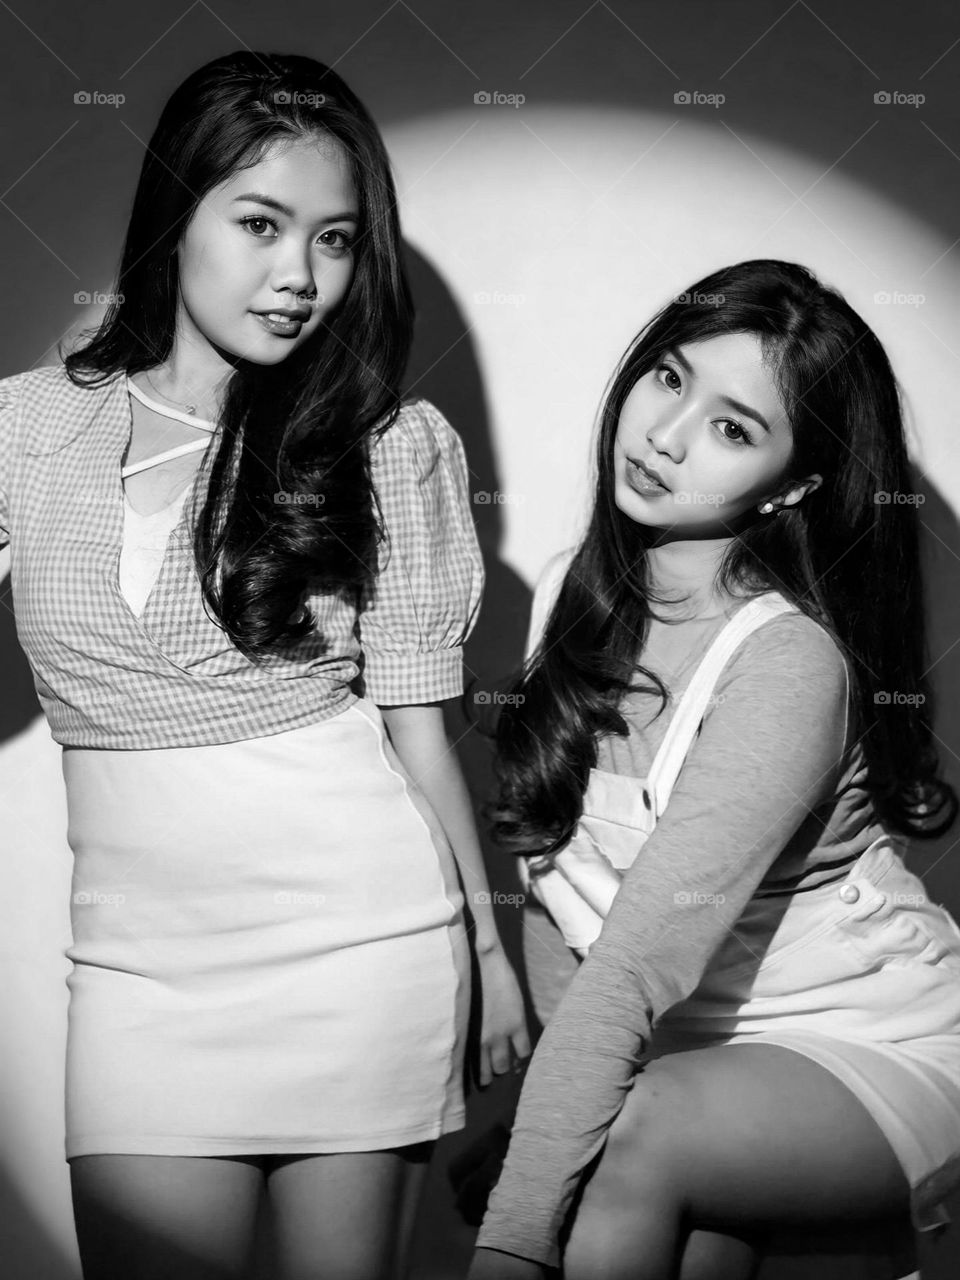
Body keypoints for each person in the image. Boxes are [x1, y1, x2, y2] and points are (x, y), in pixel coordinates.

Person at [0, 50, 529, 1280]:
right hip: (138, 973)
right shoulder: (29, 424)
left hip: (359, 949)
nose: (299, 277)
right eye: (260, 223)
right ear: (175, 215)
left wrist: (488, 953)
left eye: (335, 240)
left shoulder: (388, 447)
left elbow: (416, 726)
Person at [467, 259, 960, 1279]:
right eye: (670, 378)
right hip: (701, 1055)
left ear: (793, 484)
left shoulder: (787, 664)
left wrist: (511, 1245)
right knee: (620, 1162)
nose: (665, 435)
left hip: (872, 1035)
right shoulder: (575, 589)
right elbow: (560, 894)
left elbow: (635, 962)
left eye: (734, 427)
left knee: (630, 1139)